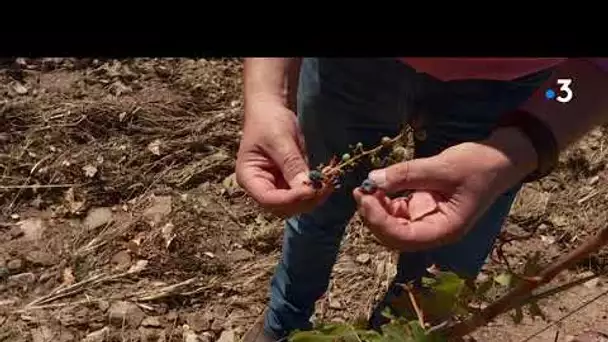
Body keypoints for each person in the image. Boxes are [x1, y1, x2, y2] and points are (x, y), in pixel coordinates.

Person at [235, 58, 608, 342]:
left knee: (439, 273)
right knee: (314, 207)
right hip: (349, 69)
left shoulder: (547, 89)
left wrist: (524, 138)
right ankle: (282, 325)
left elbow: (579, 77)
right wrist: (267, 94)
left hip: (520, 89)